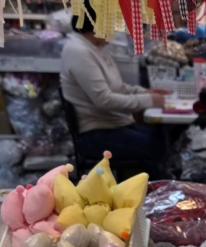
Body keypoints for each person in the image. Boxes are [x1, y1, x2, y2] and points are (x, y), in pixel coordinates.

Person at [60, 0, 171, 176]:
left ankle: (155, 189)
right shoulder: (79, 52)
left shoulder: (95, 48)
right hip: (96, 133)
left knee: (162, 138)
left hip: (113, 124)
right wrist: (149, 100)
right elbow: (104, 99)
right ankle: (157, 194)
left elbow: (118, 87)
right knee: (156, 147)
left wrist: (147, 93)